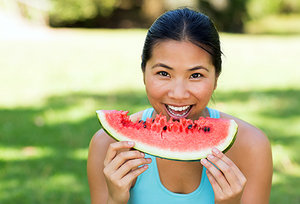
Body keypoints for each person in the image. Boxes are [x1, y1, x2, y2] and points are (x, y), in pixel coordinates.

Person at [87, 8, 273, 204]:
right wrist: (115, 200)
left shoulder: (251, 146)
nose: (178, 94)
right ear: (143, 72)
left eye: (196, 75)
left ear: (216, 77)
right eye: (163, 73)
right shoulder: (107, 145)